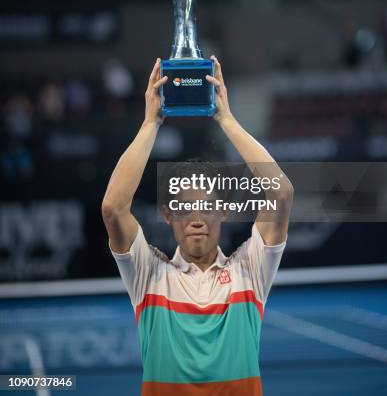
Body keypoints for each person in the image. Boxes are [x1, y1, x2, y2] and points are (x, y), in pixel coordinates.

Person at [101, 55, 294, 395]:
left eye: (207, 207)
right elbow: (114, 209)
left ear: (224, 213)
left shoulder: (249, 270)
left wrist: (226, 119)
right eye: (185, 207)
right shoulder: (149, 275)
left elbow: (281, 195)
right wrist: (150, 125)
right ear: (168, 215)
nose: (196, 217)